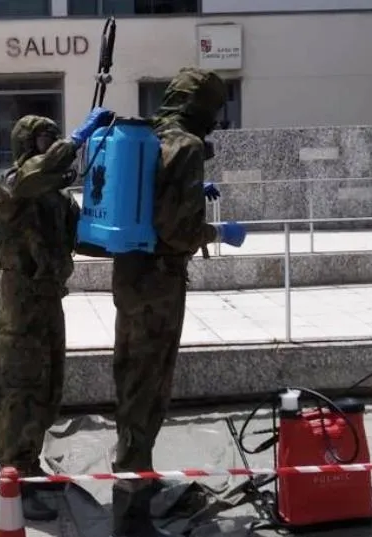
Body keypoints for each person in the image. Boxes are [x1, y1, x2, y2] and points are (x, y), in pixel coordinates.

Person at [110, 67, 247, 536]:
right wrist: (220, 233)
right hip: (160, 284)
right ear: (203, 107)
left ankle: (132, 479)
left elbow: (146, 202)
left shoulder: (146, 135)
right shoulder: (186, 146)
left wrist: (191, 197)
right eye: (215, 108)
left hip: (129, 276)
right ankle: (132, 511)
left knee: (131, 379)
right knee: (148, 390)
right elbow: (176, 230)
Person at [0, 108, 113, 521]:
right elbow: (32, 176)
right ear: (27, 147)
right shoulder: (10, 186)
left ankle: (31, 466)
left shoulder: (58, 198)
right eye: (46, 142)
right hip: (21, 304)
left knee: (47, 386)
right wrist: (76, 140)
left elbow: (86, 238)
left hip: (49, 301)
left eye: (57, 140)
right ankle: (15, 477)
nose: (56, 150)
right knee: (19, 389)